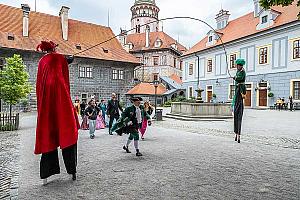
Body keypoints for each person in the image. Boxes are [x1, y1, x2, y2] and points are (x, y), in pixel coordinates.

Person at [35, 41, 79, 185]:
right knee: (68, 133)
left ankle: (45, 176)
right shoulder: (60, 58)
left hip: (47, 104)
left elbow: (39, 85)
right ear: (53, 48)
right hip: (61, 101)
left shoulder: (42, 61)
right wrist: (68, 60)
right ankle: (72, 170)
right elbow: (64, 70)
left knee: (48, 136)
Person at [231, 58, 246, 143]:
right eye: (237, 65)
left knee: (239, 116)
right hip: (237, 94)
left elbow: (239, 78)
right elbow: (237, 77)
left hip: (239, 93)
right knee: (236, 117)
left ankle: (238, 134)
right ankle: (236, 134)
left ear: (241, 66)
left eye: (238, 65)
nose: (237, 67)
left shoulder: (242, 72)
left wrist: (234, 78)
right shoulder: (238, 71)